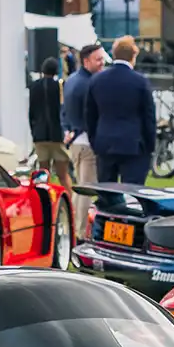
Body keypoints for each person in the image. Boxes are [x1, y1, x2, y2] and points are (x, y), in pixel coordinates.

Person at [85, 35, 157, 189]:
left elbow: (90, 116)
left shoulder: (97, 80)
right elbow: (148, 117)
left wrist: (95, 141)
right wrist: (150, 146)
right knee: (133, 193)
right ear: (133, 56)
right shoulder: (140, 82)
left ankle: (105, 213)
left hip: (104, 143)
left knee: (106, 193)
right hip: (133, 145)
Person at [63, 42, 105, 239]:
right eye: (98, 59)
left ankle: (73, 229)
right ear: (86, 61)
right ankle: (81, 233)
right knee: (86, 189)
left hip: (75, 140)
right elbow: (92, 114)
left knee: (80, 188)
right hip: (86, 141)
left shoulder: (71, 80)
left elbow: (63, 110)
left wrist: (68, 130)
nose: (102, 63)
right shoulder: (90, 84)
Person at [29, 57, 71, 191]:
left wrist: (34, 131)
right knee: (63, 175)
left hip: (40, 135)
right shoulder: (61, 86)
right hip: (57, 135)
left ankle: (44, 202)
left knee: (43, 174)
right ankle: (70, 203)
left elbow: (31, 112)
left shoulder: (34, 86)